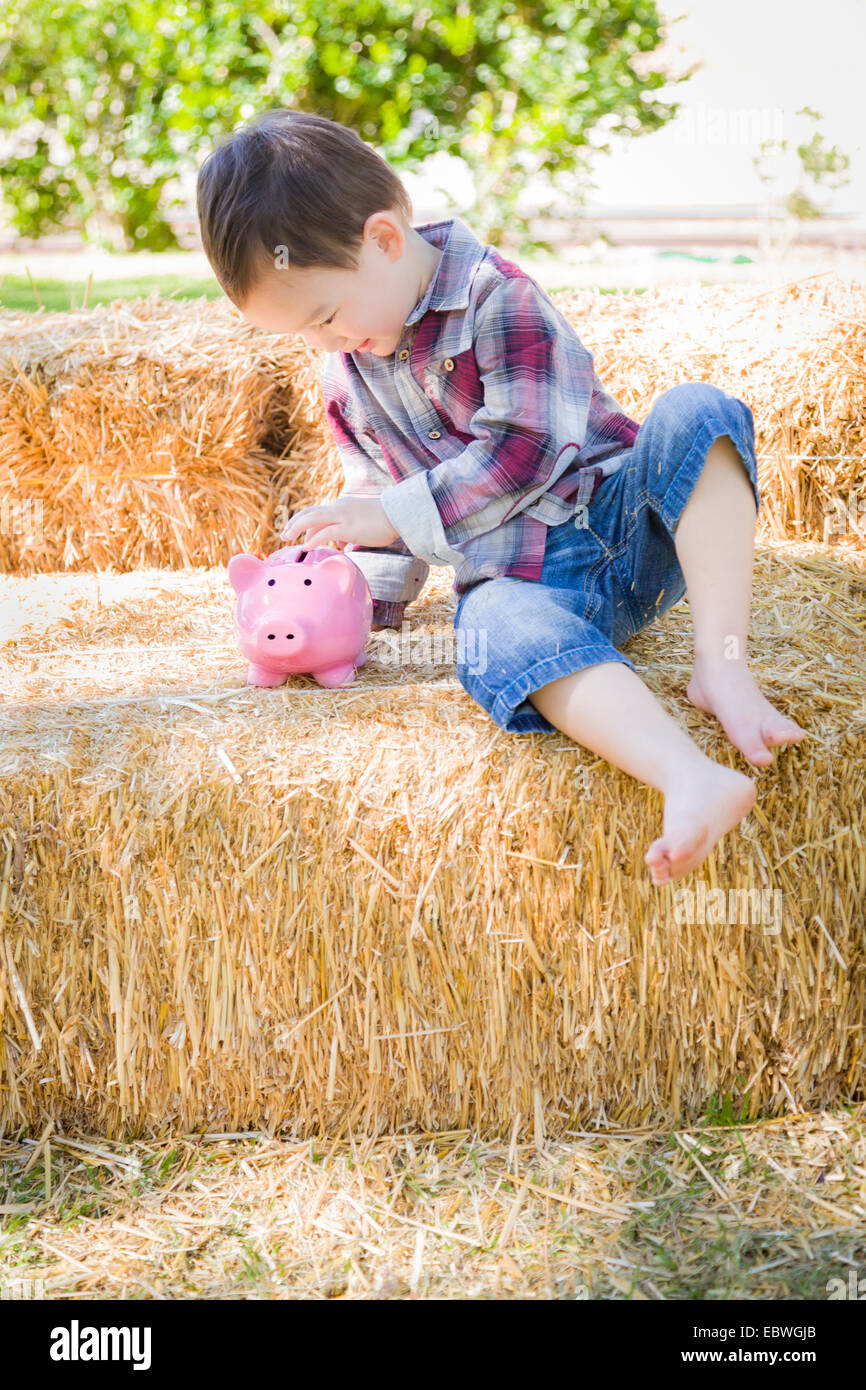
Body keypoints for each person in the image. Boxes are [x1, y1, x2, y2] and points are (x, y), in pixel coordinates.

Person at [196, 108, 806, 885]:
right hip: (526, 583)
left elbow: (525, 454)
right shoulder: (347, 373)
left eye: (324, 316)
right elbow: (375, 492)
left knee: (699, 411)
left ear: (384, 240)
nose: (324, 344)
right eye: (302, 335)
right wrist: (350, 611)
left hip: (622, 521)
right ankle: (686, 775)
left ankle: (722, 666)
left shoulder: (499, 300)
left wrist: (389, 515)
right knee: (490, 635)